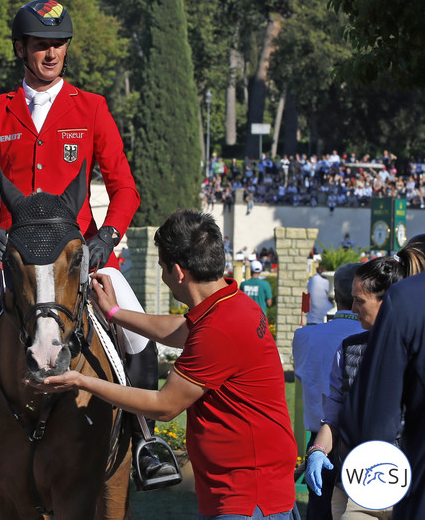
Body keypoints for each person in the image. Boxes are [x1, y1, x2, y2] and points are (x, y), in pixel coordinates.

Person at [0, 0, 169, 502]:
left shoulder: (91, 108)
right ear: (21, 48)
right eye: (42, 45)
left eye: (58, 45)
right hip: (13, 257)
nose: (51, 54)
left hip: (75, 257)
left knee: (135, 332)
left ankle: (148, 443)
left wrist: (106, 238)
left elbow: (125, 188)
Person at [34, 210, 298, 518]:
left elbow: (164, 405)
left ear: (178, 270)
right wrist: (115, 313)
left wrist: (82, 381)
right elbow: (180, 329)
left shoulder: (219, 329)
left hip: (246, 498)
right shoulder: (232, 304)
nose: (163, 275)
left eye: (162, 267)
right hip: (253, 491)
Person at [306, 257, 405, 519]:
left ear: (386, 302)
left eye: (360, 301)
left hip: (407, 483)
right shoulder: (348, 348)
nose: (353, 307)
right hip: (356, 482)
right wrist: (317, 450)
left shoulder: (415, 348)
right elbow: (334, 415)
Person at [292, 262, 362, 519]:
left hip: (321, 440)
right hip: (342, 439)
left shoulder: (306, 336)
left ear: (334, 293)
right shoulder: (370, 333)